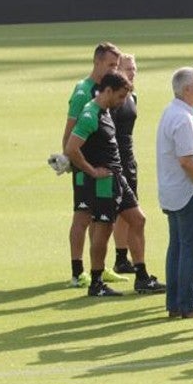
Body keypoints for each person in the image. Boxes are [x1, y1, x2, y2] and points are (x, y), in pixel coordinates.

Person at [66, 70, 161, 297]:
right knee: (104, 229)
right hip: (103, 182)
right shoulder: (90, 114)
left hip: (117, 178)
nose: (122, 102)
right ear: (107, 91)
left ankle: (142, 277)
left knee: (138, 219)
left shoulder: (106, 110)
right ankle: (96, 282)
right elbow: (72, 148)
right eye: (120, 96)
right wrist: (92, 171)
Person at [155, 68, 193, 316]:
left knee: (178, 248)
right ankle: (189, 304)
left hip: (173, 191)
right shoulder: (182, 119)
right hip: (188, 192)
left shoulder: (172, 113)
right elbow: (187, 160)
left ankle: (175, 303)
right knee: (190, 249)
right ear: (187, 89)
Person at [63, 42, 124, 288]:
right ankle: (77, 271)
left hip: (99, 163)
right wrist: (69, 159)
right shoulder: (83, 91)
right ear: (97, 62)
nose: (114, 69)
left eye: (116, 65)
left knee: (99, 217)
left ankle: (98, 267)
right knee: (83, 216)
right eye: (110, 64)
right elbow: (70, 130)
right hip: (84, 164)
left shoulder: (105, 89)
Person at [109, 54, 150, 280]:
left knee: (128, 209)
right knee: (122, 211)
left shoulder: (132, 96)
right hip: (116, 159)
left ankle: (121, 258)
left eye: (134, 69)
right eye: (127, 69)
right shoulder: (114, 99)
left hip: (128, 157)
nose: (132, 73)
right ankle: (120, 258)